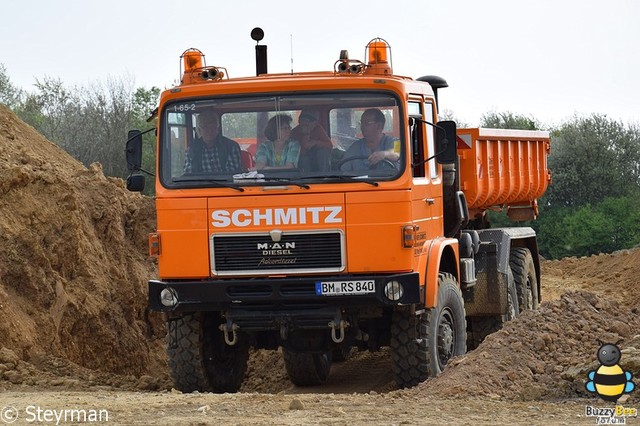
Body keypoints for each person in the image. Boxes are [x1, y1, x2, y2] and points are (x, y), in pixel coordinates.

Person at [183, 108, 242, 174]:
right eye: (205, 127)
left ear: (217, 128)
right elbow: (188, 175)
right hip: (199, 184)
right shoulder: (191, 150)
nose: (209, 130)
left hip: (226, 184)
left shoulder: (231, 147)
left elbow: (233, 174)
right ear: (199, 130)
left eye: (212, 126)